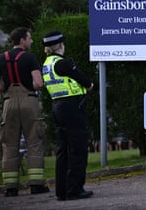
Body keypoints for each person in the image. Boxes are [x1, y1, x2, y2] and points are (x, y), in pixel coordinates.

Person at [41, 30, 94, 200]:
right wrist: (89, 85)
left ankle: (62, 190)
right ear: (61, 45)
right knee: (77, 149)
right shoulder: (62, 63)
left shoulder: (47, 63)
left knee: (62, 150)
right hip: (71, 107)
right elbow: (86, 82)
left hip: (58, 106)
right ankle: (74, 189)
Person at [0, 27, 50, 197]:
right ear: (22, 40)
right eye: (29, 38)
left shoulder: (1, 58)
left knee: (9, 144)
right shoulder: (29, 58)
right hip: (29, 101)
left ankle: (10, 188)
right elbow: (38, 83)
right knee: (34, 142)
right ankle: (36, 185)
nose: (32, 41)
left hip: (9, 103)